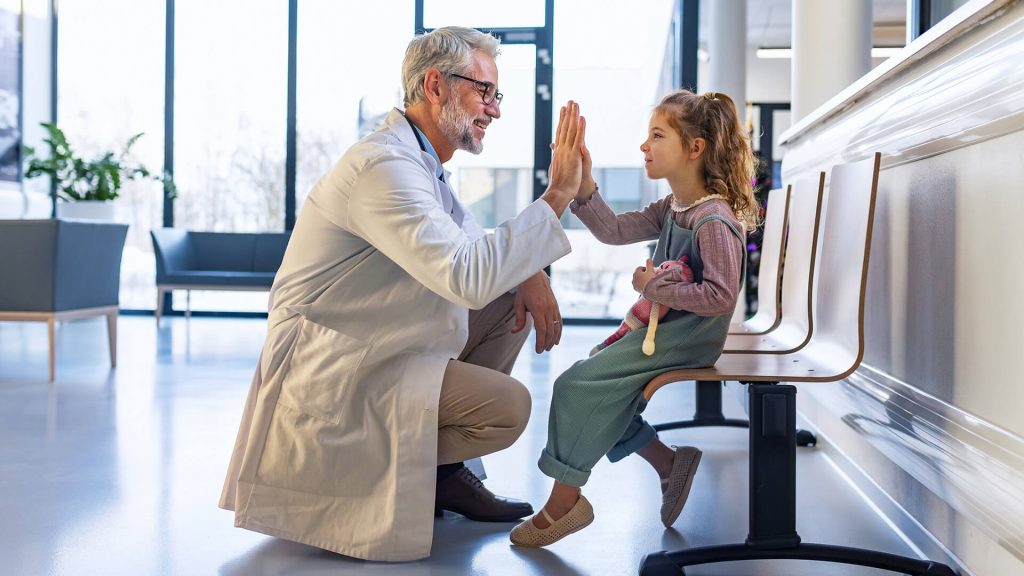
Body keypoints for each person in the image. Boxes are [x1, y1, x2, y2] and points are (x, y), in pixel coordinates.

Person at [218, 27, 587, 561]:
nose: (495, 111)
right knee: (508, 410)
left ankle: (440, 476)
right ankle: (403, 470)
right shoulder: (383, 167)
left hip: (378, 343)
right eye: (485, 92)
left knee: (510, 298)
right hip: (335, 365)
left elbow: (470, 247)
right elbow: (465, 275)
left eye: (496, 96)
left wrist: (528, 272)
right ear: (435, 84)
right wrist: (557, 195)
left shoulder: (422, 164)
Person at [510, 90, 759, 547]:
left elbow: (721, 297)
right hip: (670, 330)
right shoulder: (674, 208)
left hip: (691, 336)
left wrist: (652, 287)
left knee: (576, 385)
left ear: (695, 148)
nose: (644, 147)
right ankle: (668, 463)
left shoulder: (713, 218)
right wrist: (584, 183)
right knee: (601, 381)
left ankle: (565, 501)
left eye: (657, 136)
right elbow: (614, 231)